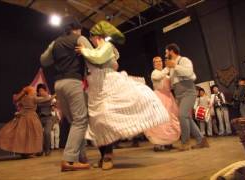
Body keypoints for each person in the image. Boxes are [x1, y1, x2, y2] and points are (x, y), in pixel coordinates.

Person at [76, 21, 169, 170]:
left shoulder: (106, 47)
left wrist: (84, 51)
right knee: (96, 122)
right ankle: (103, 156)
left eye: (92, 37)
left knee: (106, 116)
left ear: (97, 36)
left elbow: (99, 58)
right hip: (95, 87)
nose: (91, 40)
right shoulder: (96, 49)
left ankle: (108, 155)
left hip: (107, 83)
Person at [40, 16, 92, 171]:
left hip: (58, 85)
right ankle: (69, 160)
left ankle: (81, 158)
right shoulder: (79, 38)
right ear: (77, 29)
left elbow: (44, 60)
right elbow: (93, 56)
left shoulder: (55, 42)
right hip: (73, 82)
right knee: (81, 120)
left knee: (75, 122)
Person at [164, 43, 209, 151]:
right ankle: (201, 140)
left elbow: (190, 73)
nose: (165, 54)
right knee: (187, 118)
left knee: (182, 115)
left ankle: (185, 142)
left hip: (188, 91)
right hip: (178, 93)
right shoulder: (170, 66)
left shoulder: (184, 60)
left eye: (166, 52)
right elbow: (173, 81)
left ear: (171, 51)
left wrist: (174, 66)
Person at [0, 86, 51, 158]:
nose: (36, 92)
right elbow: (47, 99)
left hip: (22, 118)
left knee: (23, 136)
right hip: (32, 118)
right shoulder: (33, 98)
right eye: (34, 90)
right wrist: (46, 94)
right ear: (31, 92)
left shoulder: (23, 98)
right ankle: (29, 152)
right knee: (32, 135)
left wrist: (20, 112)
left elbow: (17, 103)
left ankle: (24, 153)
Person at [144, 56, 180, 152]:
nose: (159, 63)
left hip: (168, 98)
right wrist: (168, 68)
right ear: (154, 64)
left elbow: (171, 84)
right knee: (160, 121)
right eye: (156, 62)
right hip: (159, 98)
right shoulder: (154, 73)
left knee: (170, 120)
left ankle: (168, 142)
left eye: (160, 61)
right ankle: (159, 143)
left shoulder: (166, 75)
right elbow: (158, 76)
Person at [36, 84, 54, 156]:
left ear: (45, 90)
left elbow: (54, 105)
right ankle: (40, 150)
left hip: (48, 118)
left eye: (42, 90)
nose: (41, 92)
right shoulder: (37, 98)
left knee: (47, 133)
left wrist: (52, 104)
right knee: (39, 134)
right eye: (39, 91)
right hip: (40, 118)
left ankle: (47, 150)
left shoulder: (50, 97)